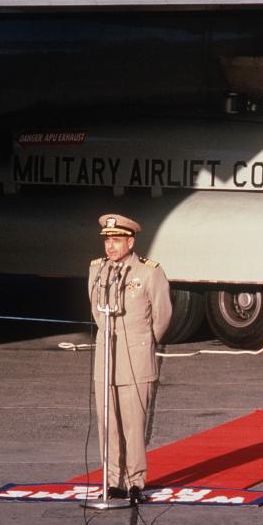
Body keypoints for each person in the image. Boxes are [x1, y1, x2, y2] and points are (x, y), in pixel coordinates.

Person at [88, 213, 172, 504]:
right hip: (106, 358)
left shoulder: (149, 272)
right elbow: (96, 311)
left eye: (116, 240)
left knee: (134, 425)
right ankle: (113, 482)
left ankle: (135, 482)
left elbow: (162, 316)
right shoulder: (97, 269)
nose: (110, 247)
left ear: (130, 241)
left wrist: (143, 343)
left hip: (135, 359)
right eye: (107, 240)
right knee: (107, 423)